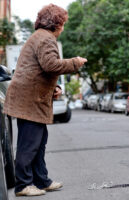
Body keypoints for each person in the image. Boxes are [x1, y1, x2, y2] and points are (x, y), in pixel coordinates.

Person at [3, 4, 87, 197]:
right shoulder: (46, 39)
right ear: (56, 23)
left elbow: (37, 70)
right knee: (29, 144)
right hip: (30, 100)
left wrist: (54, 88)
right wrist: (75, 62)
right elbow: (50, 65)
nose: (64, 27)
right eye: (63, 23)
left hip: (31, 98)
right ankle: (23, 185)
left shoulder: (40, 37)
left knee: (39, 142)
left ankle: (42, 180)